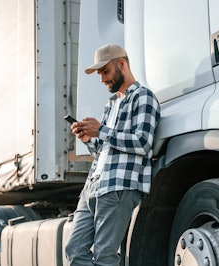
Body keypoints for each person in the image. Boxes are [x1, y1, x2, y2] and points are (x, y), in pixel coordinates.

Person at [65, 44, 160, 266]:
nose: (102, 79)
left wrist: (102, 131)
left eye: (105, 71)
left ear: (121, 64)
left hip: (119, 187)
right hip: (93, 186)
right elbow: (104, 149)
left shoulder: (143, 97)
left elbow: (143, 143)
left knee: (105, 255)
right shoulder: (111, 104)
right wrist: (89, 139)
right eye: (99, 74)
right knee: (74, 249)